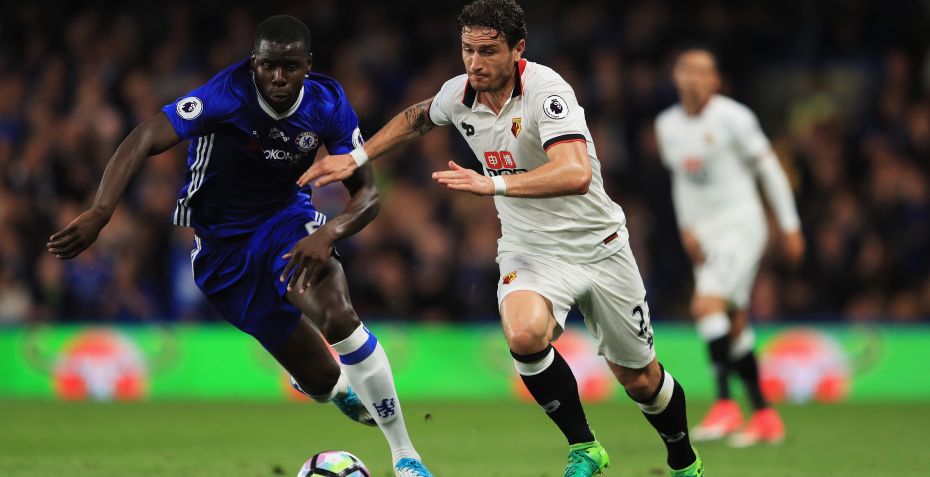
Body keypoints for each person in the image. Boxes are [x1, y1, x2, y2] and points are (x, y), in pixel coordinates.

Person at [298, 1, 703, 476]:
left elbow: (575, 173)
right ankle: (585, 447)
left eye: (488, 51)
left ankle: (683, 460)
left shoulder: (547, 92)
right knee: (525, 334)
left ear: (517, 50)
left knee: (640, 380)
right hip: (529, 248)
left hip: (599, 247)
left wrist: (494, 184)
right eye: (467, 50)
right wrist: (357, 158)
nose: (475, 62)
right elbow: (417, 117)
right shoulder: (459, 94)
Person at [46, 15, 433, 477]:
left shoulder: (328, 104)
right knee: (322, 380)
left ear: (308, 65)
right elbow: (145, 135)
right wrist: (101, 211)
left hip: (286, 223)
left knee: (339, 317)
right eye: (268, 66)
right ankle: (335, 390)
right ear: (254, 63)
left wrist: (328, 233)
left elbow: (368, 194)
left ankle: (406, 457)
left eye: (290, 66)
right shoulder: (226, 95)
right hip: (222, 250)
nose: (278, 77)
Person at [654, 48, 804, 447]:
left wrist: (790, 225)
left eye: (702, 71)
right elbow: (681, 181)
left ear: (715, 80)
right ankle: (765, 415)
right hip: (705, 234)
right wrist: (687, 227)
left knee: (706, 305)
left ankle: (724, 405)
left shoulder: (735, 118)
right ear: (676, 76)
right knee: (733, 319)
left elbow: (769, 169)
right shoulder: (667, 125)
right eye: (686, 70)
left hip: (742, 225)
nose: (693, 77)